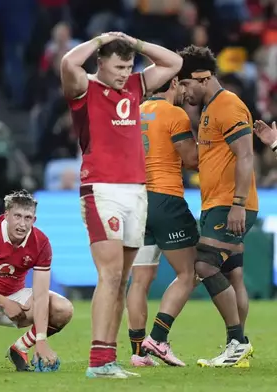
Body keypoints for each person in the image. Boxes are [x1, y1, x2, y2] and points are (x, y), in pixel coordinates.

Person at [60, 32, 182, 378]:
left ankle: (108, 359)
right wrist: (100, 39)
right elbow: (68, 62)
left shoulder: (135, 85)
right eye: (117, 66)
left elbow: (175, 63)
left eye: (128, 66)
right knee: (110, 274)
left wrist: (137, 43)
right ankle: (97, 361)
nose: (123, 73)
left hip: (136, 191)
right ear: (100, 62)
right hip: (101, 189)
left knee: (123, 279)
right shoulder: (84, 88)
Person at [177, 45, 256, 368]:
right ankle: (238, 349)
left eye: (185, 84)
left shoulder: (228, 105)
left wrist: (238, 204)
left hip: (230, 204)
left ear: (203, 77)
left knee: (205, 265)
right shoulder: (210, 108)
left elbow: (247, 155)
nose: (183, 91)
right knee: (232, 274)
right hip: (215, 203)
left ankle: (238, 341)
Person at [0, 190, 74, 372]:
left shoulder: (41, 242)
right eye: (17, 216)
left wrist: (41, 340)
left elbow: (41, 296)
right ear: (6, 215)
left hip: (17, 298)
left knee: (63, 309)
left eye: (28, 218)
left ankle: (20, 348)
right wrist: (4, 302)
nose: (22, 224)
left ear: (34, 220)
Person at [125, 77, 199, 368]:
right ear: (175, 84)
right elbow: (192, 159)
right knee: (190, 273)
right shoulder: (175, 113)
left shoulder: (133, 111)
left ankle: (137, 353)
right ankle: (158, 337)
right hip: (165, 199)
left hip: (135, 200)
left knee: (140, 280)